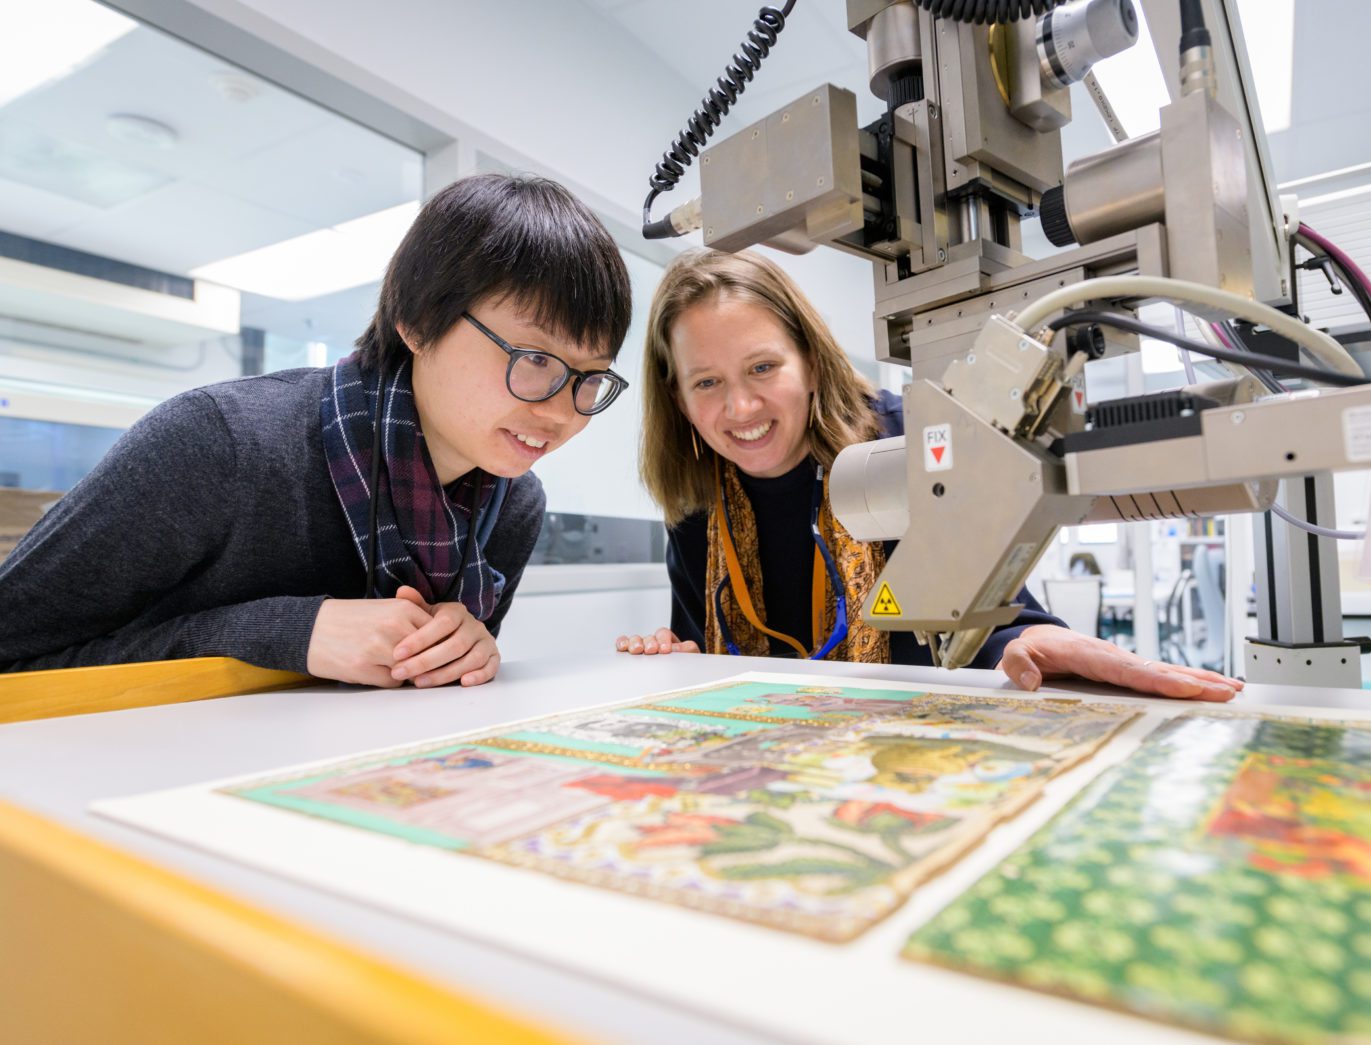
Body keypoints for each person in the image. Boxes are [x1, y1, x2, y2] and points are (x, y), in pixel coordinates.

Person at [0, 173, 632, 689]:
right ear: (416, 320)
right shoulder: (219, 444)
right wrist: (287, 634)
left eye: (590, 378)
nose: (562, 414)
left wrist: (466, 652)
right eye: (535, 359)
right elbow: (13, 655)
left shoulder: (514, 503)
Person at [616, 249, 1240, 701]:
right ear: (678, 398)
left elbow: (995, 617)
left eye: (761, 368)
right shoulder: (696, 508)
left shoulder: (904, 442)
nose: (741, 408)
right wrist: (674, 663)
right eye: (707, 382)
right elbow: (707, 654)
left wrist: (1037, 643)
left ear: (809, 361)